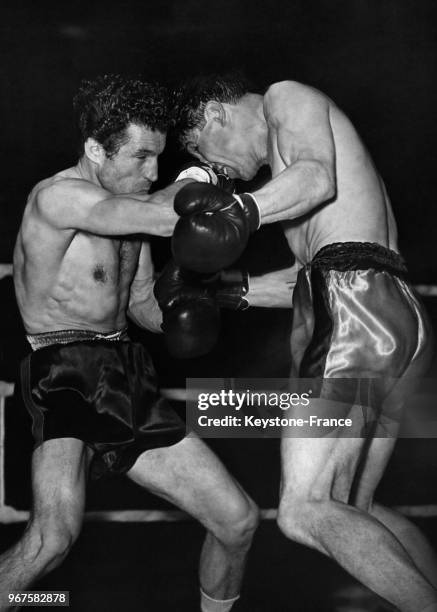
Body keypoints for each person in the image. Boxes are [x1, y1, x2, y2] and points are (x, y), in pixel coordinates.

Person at [171, 74, 437, 612]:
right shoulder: (292, 160)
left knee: (303, 510)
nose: (217, 172)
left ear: (214, 116)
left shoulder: (284, 98)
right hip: (384, 309)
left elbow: (317, 181)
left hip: (355, 309)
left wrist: (238, 212)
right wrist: (223, 293)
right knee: (353, 507)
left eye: (203, 152)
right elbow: (305, 279)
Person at [0, 74, 260, 612]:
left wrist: (188, 318)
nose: (150, 172)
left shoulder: (133, 210)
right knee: (53, 540)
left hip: (128, 371)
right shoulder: (59, 198)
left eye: (158, 160)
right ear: (96, 149)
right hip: (66, 369)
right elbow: (145, 214)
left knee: (236, 519)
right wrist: (205, 175)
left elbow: (140, 303)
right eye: (140, 157)